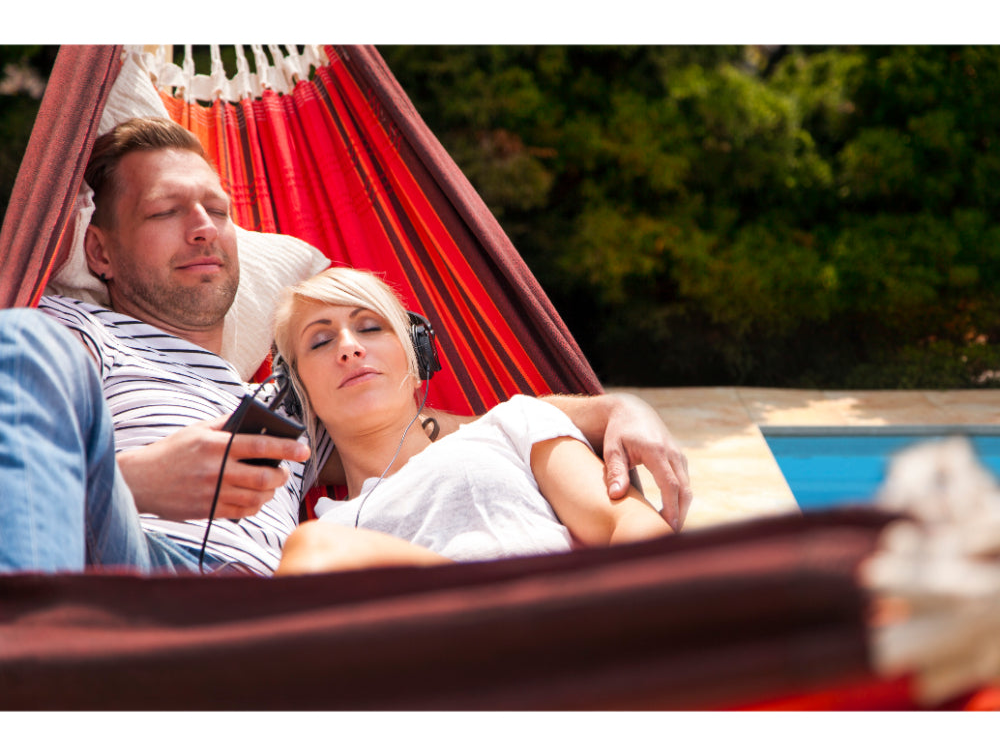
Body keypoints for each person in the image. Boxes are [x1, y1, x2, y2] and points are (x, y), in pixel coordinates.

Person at [0, 116, 691, 574]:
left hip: (254, 611)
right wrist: (141, 480)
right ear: (101, 250)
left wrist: (617, 407)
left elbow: (454, 427)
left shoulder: (288, 405)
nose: (203, 228)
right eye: (164, 212)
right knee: (22, 340)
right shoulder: (74, 332)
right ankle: (36, 650)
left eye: (218, 209)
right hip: (131, 558)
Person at [271, 268, 672, 574]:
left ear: (416, 355)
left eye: (371, 327)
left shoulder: (511, 425)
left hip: (566, 626)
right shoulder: (326, 528)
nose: (349, 348)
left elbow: (629, 522)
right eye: (320, 341)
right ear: (297, 387)